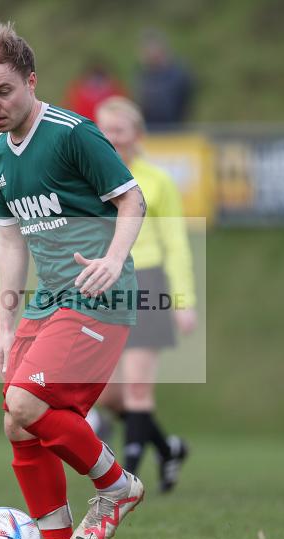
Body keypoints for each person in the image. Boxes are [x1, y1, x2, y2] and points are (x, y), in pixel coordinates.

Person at [0, 21, 148, 539]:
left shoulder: (74, 134)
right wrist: (5, 327)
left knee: (28, 403)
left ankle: (116, 487)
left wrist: (114, 259)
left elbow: (133, 199)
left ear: (31, 81)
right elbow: (10, 238)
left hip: (99, 296)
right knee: (16, 421)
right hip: (48, 301)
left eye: (4, 91)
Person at [93, 96, 195, 493]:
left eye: (119, 130)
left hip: (147, 281)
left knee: (138, 387)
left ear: (138, 135)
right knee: (108, 395)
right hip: (105, 284)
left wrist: (184, 301)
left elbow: (176, 243)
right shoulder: (91, 177)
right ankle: (168, 449)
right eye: (104, 129)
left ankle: (126, 481)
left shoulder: (157, 181)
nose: (111, 138)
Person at [136, 29, 195, 129]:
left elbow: (180, 102)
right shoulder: (144, 74)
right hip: (150, 128)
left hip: (173, 127)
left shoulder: (177, 74)